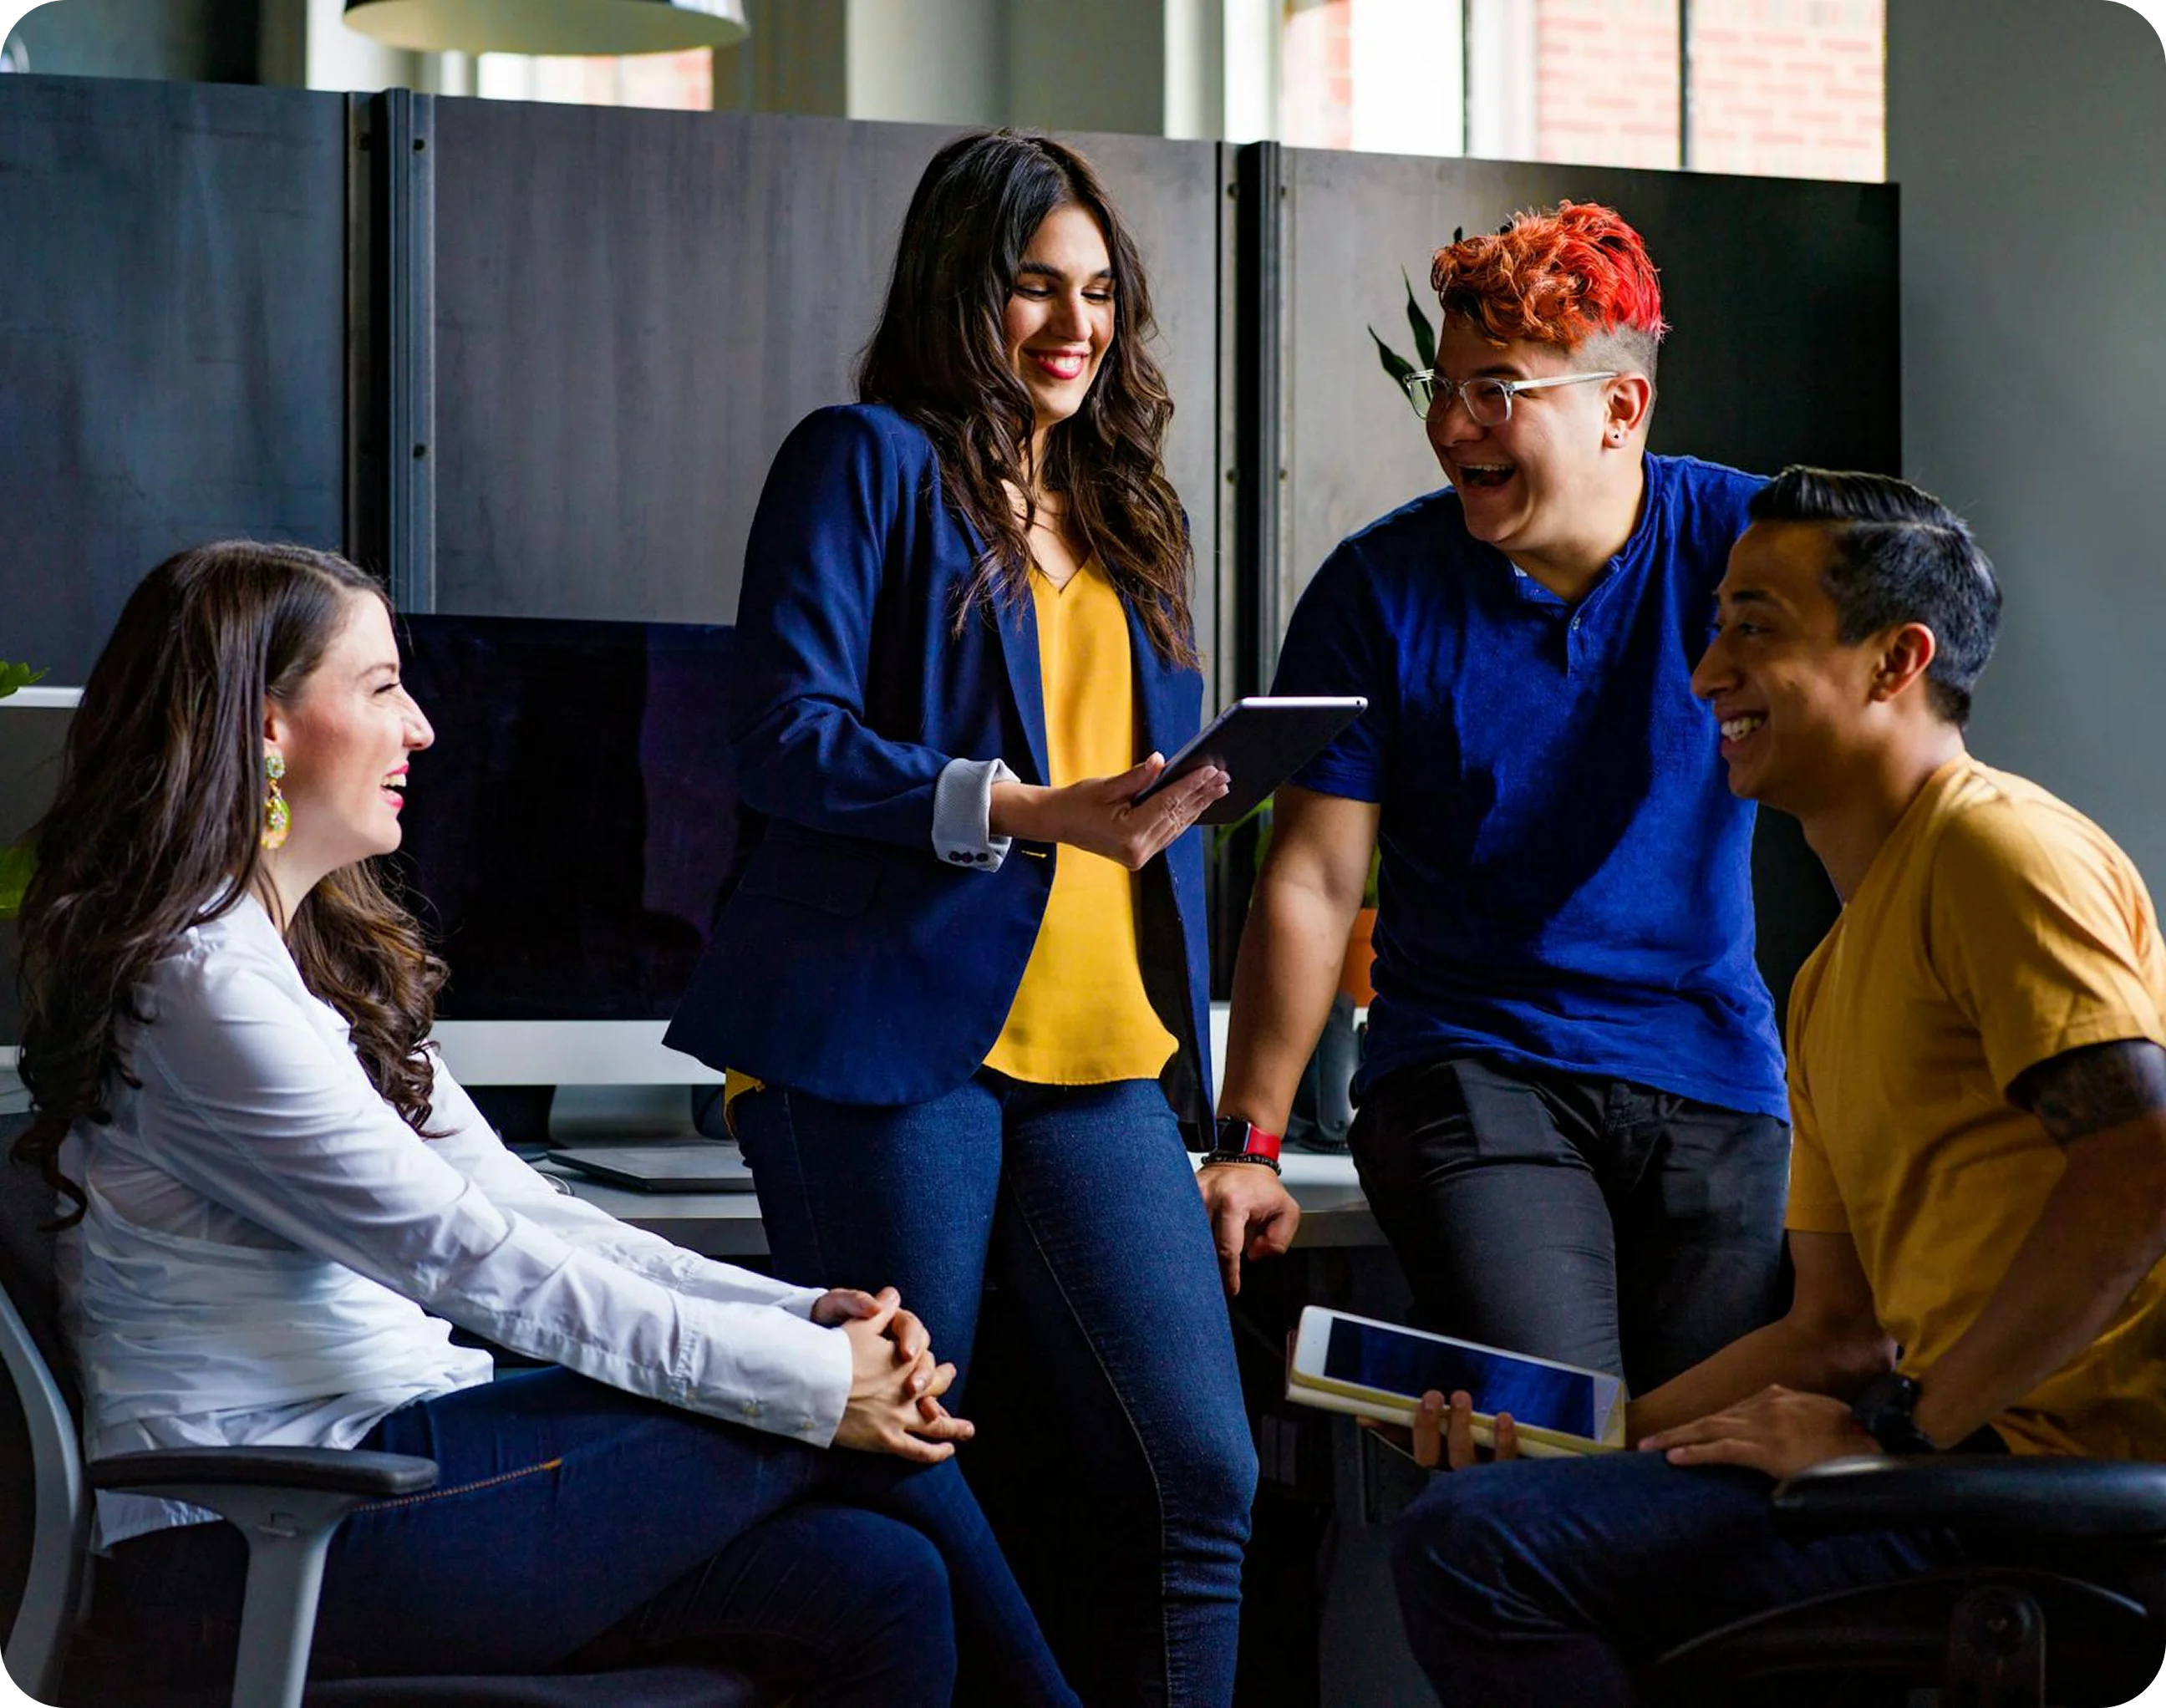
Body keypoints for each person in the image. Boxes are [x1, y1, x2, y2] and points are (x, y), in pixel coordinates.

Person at [13, 540, 1078, 1706]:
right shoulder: (200, 985)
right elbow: (466, 1256)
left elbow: (527, 1209)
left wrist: (800, 1315)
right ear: (264, 727)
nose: (420, 728)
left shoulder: (313, 963)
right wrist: (824, 1379)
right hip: (260, 1538)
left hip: (400, 1475)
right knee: (814, 1415)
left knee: (877, 1583)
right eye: (379, 689)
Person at [1388, 468, 2166, 1706]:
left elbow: (2139, 1164)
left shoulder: (1995, 848)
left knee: (1480, 1556)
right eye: (1714, 628)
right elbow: (1832, 1330)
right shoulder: (1830, 971)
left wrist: (1903, 1437)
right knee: (1491, 1512)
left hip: (2055, 1503)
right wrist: (1570, 1445)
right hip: (1949, 1470)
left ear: (1893, 660)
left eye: (1758, 628)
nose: (1707, 675)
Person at [664, 129, 1257, 1706]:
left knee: (1204, 1477)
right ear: (958, 288)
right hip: (885, 1041)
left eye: (1099, 296)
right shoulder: (863, 460)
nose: (1075, 326)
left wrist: (1180, 797)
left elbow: (1120, 799)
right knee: (906, 1453)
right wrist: (1020, 804)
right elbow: (783, 734)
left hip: (1102, 1049)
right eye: (1033, 289)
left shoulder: (1125, 513)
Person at [1211, 201, 1790, 1398]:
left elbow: (1904, 686)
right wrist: (1248, 1147)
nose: (1448, 427)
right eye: (1444, 389)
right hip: (1473, 1071)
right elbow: (1315, 882)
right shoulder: (1378, 592)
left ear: (1620, 409)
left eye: (1497, 393)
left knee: (1705, 1476)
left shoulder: (1750, 546)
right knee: (1561, 1434)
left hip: (1712, 1073)